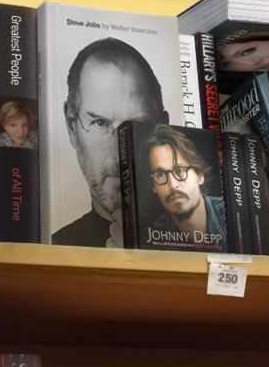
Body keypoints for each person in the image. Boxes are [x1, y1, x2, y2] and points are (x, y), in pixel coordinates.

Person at [51, 37, 169, 248]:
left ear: (165, 131)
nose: (118, 153)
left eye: (135, 127)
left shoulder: (204, 233)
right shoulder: (54, 249)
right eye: (100, 123)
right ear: (71, 127)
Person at [145, 124, 226, 239]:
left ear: (199, 175)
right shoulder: (152, 239)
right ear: (154, 187)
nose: (173, 185)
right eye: (160, 174)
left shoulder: (233, 215)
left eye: (180, 170)